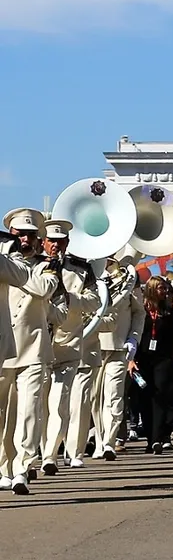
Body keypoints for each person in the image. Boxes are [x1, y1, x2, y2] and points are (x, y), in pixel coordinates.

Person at [0, 208, 58, 494]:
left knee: (28, 410)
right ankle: (4, 467)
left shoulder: (46, 265)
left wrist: (10, 264)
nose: (24, 239)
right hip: (5, 347)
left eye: (30, 235)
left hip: (33, 348)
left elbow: (45, 288)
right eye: (19, 234)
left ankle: (23, 467)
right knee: (3, 414)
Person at [39, 219, 101, 476]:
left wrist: (70, 299)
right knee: (37, 404)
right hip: (38, 343)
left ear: (67, 242)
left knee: (60, 402)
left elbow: (95, 301)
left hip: (69, 343)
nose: (56, 246)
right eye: (51, 240)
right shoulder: (33, 265)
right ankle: (34, 453)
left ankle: (50, 455)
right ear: (43, 242)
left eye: (61, 241)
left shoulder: (81, 268)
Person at [92, 253, 144, 461]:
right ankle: (98, 439)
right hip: (92, 344)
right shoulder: (89, 275)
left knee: (114, 396)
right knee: (94, 398)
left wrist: (134, 338)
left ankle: (109, 442)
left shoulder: (128, 278)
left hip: (118, 346)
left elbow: (139, 313)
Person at [130, 275, 173, 454]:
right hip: (143, 360)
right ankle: (150, 438)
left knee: (161, 396)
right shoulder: (140, 311)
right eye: (160, 288)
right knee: (145, 397)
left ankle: (159, 437)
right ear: (153, 289)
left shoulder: (168, 312)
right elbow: (133, 334)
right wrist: (131, 359)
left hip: (163, 359)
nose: (164, 291)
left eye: (165, 288)